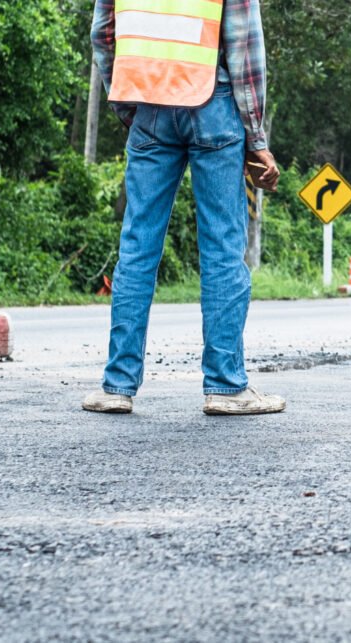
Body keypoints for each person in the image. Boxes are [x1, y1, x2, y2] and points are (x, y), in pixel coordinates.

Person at [83, 0, 285, 416]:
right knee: (223, 247)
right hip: (214, 102)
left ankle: (117, 386)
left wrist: (127, 104)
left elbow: (103, 35)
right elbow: (245, 49)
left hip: (149, 105)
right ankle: (226, 386)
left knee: (137, 246)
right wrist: (257, 138)